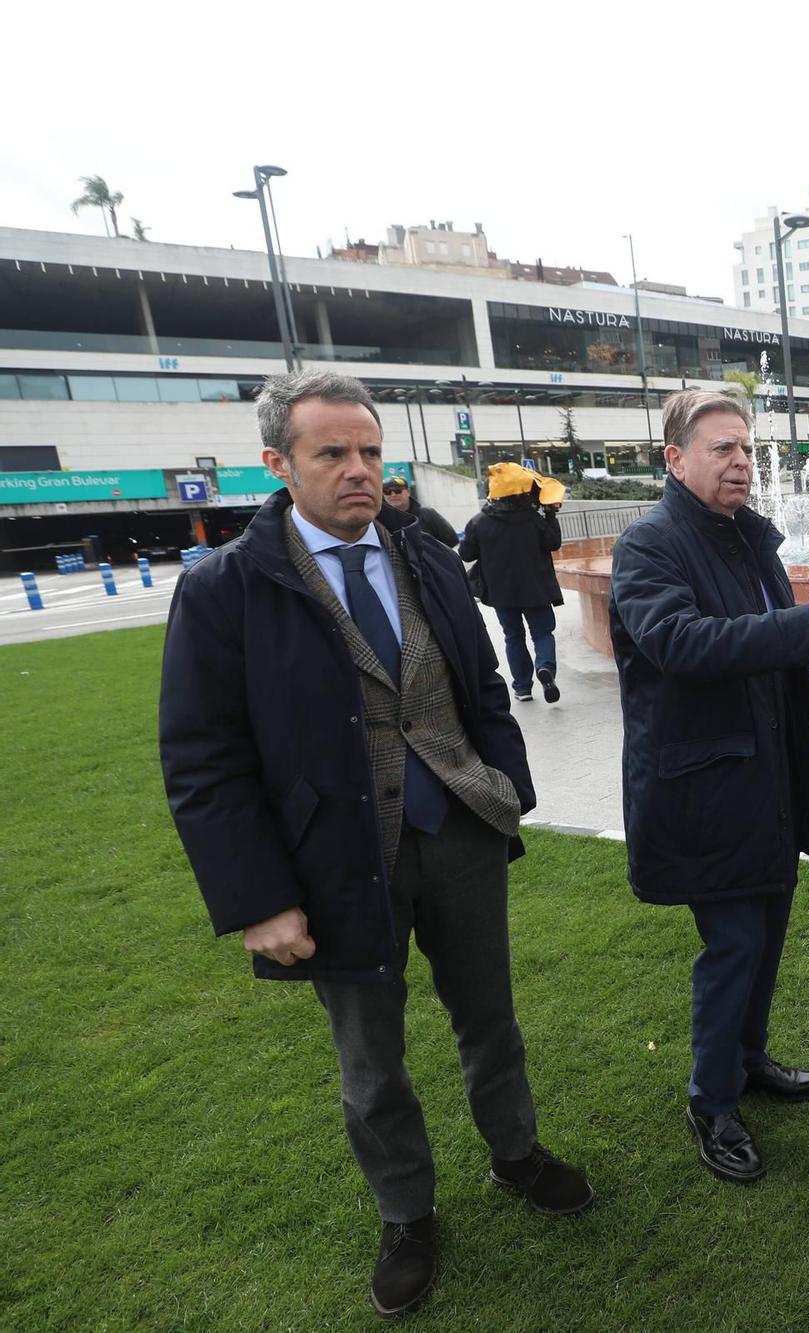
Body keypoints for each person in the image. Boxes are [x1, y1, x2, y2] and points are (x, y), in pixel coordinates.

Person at [158, 370, 592, 1319]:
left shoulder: (426, 556)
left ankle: (514, 1155)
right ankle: (406, 1211)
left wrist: (507, 787)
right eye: (332, 454)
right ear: (277, 463)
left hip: (463, 833)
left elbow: (479, 689)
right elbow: (203, 760)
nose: (359, 471)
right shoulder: (227, 589)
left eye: (369, 452)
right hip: (338, 862)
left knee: (492, 1018)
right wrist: (259, 897)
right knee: (372, 1058)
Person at [609, 389, 809, 1186]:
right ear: (675, 459)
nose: (740, 462)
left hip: (769, 781)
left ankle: (748, 1059)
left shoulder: (748, 540)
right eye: (722, 448)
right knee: (734, 946)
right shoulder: (648, 545)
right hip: (704, 793)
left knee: (765, 939)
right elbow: (682, 645)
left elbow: (763, 654)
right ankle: (711, 1100)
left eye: (747, 449)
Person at [460, 464, 566, 704]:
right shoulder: (534, 520)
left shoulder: (479, 522)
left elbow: (466, 554)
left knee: (513, 636)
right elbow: (553, 543)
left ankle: (522, 687)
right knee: (542, 633)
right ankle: (545, 668)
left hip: (501, 593)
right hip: (536, 589)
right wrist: (550, 513)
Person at [381, 474, 459, 549]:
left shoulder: (428, 514)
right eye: (387, 491)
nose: (393, 494)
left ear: (408, 492)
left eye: (398, 490)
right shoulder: (381, 522)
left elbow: (452, 541)